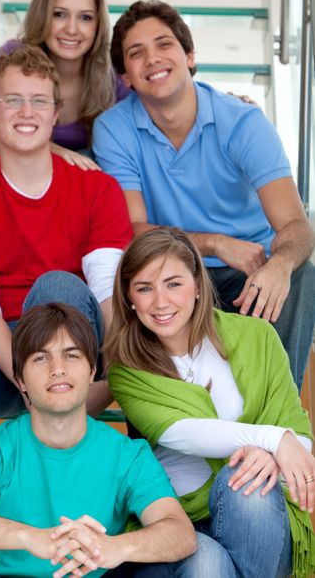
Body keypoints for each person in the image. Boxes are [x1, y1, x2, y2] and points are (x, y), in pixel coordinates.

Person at [0, 302, 263, 578]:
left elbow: (180, 533)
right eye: (40, 358)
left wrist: (114, 548)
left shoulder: (127, 455)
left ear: (92, 371)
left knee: (155, 568)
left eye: (71, 355)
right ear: (20, 379)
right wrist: (33, 538)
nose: (58, 368)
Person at [0, 44, 133, 476]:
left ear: (56, 114)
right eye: (12, 100)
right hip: (2, 355)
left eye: (39, 101)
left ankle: (55, 463)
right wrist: (28, 380)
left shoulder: (99, 189)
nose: (26, 112)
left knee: (57, 287)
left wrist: (121, 373)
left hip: (77, 352)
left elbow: (108, 290)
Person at [92, 0, 315, 391]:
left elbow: (297, 225)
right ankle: (163, 424)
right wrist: (214, 243)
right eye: (136, 53)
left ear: (190, 56)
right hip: (170, 270)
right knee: (136, 279)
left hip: (249, 271)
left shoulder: (243, 122)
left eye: (164, 44)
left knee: (299, 273)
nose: (152, 58)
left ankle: (277, 416)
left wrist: (279, 265)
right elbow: (133, 230)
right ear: (125, 76)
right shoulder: (114, 129)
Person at [106, 226, 315, 578]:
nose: (160, 302)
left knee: (247, 482)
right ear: (129, 297)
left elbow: (299, 437)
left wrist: (275, 452)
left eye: (173, 284)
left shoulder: (258, 337)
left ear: (198, 286)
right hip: (182, 522)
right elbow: (183, 433)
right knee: (206, 563)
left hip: (261, 524)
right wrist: (272, 440)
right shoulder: (128, 369)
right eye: (144, 288)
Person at [0, 0, 129, 170]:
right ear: (42, 16)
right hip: (15, 173)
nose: (71, 29)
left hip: (74, 183)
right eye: (59, 14)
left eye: (85, 17)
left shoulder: (114, 75)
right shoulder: (14, 58)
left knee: (88, 159)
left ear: (98, 25)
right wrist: (51, 150)